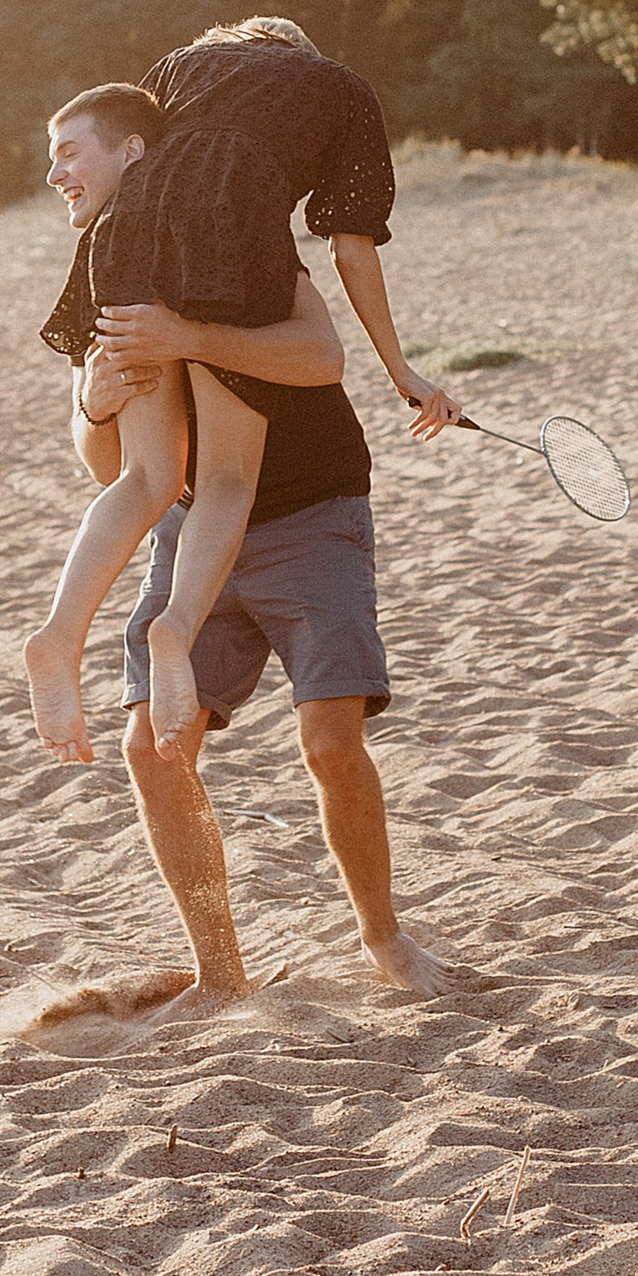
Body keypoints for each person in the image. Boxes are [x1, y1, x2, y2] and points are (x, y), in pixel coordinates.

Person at [26, 22, 444, 761]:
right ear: (297, 53)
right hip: (230, 233)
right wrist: (401, 369)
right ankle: (177, 628)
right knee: (225, 477)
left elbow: (137, 152)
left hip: (124, 230)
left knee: (146, 476)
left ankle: (59, 634)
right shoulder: (339, 86)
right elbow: (349, 245)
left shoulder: (177, 63)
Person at [74, 264, 451, 1026]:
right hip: (192, 536)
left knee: (331, 744)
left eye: (73, 159)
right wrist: (94, 404)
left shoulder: (249, 250)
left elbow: (320, 356)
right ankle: (219, 974)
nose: (63, 191)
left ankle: (383, 938)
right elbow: (113, 468)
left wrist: (187, 337)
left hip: (311, 518)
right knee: (150, 748)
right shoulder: (111, 269)